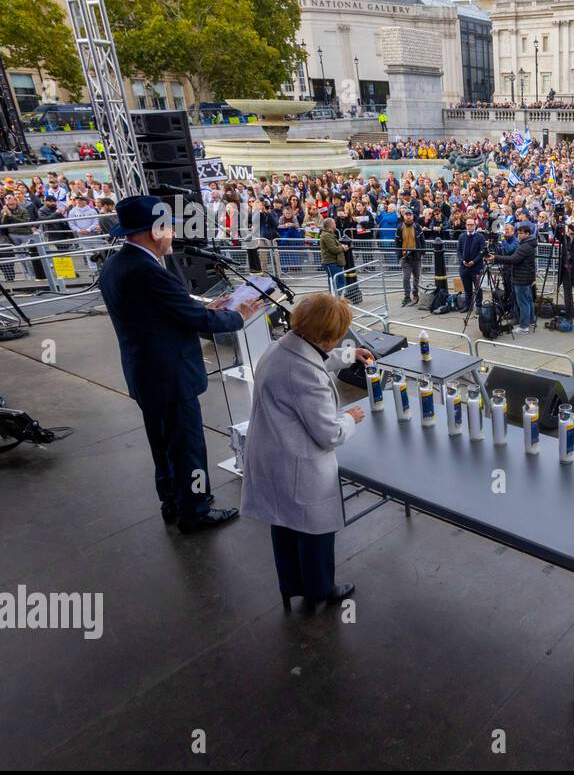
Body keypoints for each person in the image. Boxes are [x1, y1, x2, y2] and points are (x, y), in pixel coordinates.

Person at [99, 195, 262, 532]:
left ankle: (173, 499)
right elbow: (192, 320)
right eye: (169, 227)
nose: (173, 232)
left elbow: (161, 313)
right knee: (187, 448)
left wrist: (206, 308)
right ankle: (196, 510)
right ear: (155, 230)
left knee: (162, 444)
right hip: (171, 376)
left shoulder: (118, 265)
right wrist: (237, 316)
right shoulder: (148, 271)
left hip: (145, 373)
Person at [240, 293, 373, 609]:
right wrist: (350, 418)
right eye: (336, 336)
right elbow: (329, 433)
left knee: (284, 527)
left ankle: (291, 587)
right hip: (297, 464)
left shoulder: (279, 348)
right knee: (316, 533)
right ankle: (320, 589)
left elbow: (314, 354)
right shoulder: (306, 375)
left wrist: (349, 354)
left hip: (270, 456)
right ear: (326, 336)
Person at [493, 221, 537, 333]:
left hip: (521, 278)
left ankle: (524, 326)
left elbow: (513, 259)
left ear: (527, 234)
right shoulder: (528, 244)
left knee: (523, 302)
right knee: (528, 300)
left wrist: (495, 258)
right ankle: (530, 320)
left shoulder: (524, 246)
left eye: (521, 233)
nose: (519, 235)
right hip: (525, 277)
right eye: (519, 233)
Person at [395, 208, 424, 306]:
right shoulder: (400, 228)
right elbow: (397, 242)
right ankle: (407, 296)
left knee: (416, 277)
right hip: (405, 257)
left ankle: (415, 294)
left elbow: (422, 240)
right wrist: (399, 255)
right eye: (406, 214)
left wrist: (422, 253)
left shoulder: (417, 227)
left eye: (409, 214)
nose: (408, 216)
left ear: (412, 216)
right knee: (406, 278)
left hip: (416, 256)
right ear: (403, 216)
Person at [457, 216, 486, 310]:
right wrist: (463, 260)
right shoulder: (462, 236)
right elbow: (459, 251)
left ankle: (478, 306)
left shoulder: (480, 237)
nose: (469, 227)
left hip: (476, 267)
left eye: (471, 225)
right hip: (464, 267)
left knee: (478, 288)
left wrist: (474, 261)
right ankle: (468, 306)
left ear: (475, 225)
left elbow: (482, 252)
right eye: (468, 225)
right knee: (467, 288)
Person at [318, 217, 346, 293]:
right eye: (334, 223)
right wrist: (342, 248)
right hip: (330, 262)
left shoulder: (330, 234)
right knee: (335, 283)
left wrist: (342, 247)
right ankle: (334, 300)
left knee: (340, 281)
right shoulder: (326, 235)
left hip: (335, 262)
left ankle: (336, 299)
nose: (335, 225)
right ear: (331, 225)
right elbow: (333, 249)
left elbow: (335, 247)